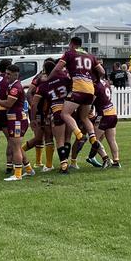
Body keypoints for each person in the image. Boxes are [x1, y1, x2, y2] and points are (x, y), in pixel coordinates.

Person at [47, 37, 105, 174]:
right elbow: (102, 71)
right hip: (90, 89)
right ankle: (92, 138)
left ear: (71, 44)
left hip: (78, 88)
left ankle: (79, 135)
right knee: (84, 117)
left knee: (65, 114)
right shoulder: (90, 56)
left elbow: (57, 69)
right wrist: (94, 78)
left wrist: (49, 78)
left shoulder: (69, 53)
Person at [0, 64, 35, 181]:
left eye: (9, 74)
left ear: (16, 75)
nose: (6, 76)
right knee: (17, 146)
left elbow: (9, 103)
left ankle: (18, 174)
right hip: (15, 119)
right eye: (6, 73)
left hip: (17, 120)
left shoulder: (15, 87)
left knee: (15, 147)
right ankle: (29, 170)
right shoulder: (12, 85)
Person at [31, 60, 71, 172]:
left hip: (56, 110)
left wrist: (33, 118)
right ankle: (68, 161)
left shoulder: (44, 84)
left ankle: (64, 166)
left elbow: (34, 103)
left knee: (59, 141)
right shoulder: (65, 78)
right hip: (68, 110)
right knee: (67, 139)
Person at [86, 73, 120, 168]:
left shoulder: (95, 86)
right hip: (112, 112)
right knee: (112, 140)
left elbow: (90, 102)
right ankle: (116, 161)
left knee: (94, 139)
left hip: (104, 114)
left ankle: (106, 159)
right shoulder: (106, 83)